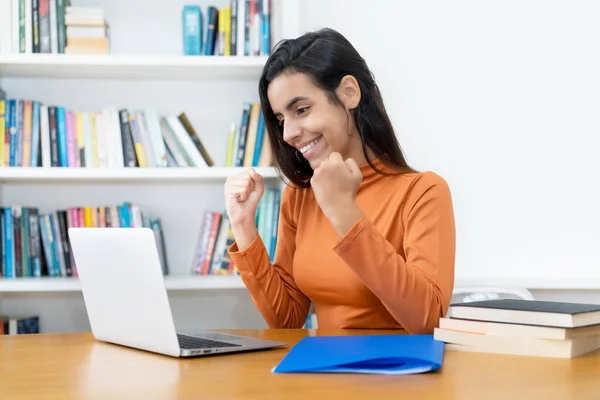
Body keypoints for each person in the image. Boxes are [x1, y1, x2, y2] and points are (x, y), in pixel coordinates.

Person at [224, 28, 455, 334]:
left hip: (399, 376)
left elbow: (427, 320)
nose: (288, 134)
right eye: (281, 119)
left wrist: (344, 211)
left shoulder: (422, 192)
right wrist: (242, 225)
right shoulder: (300, 195)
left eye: (301, 110)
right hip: (321, 375)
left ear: (349, 92)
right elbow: (287, 320)